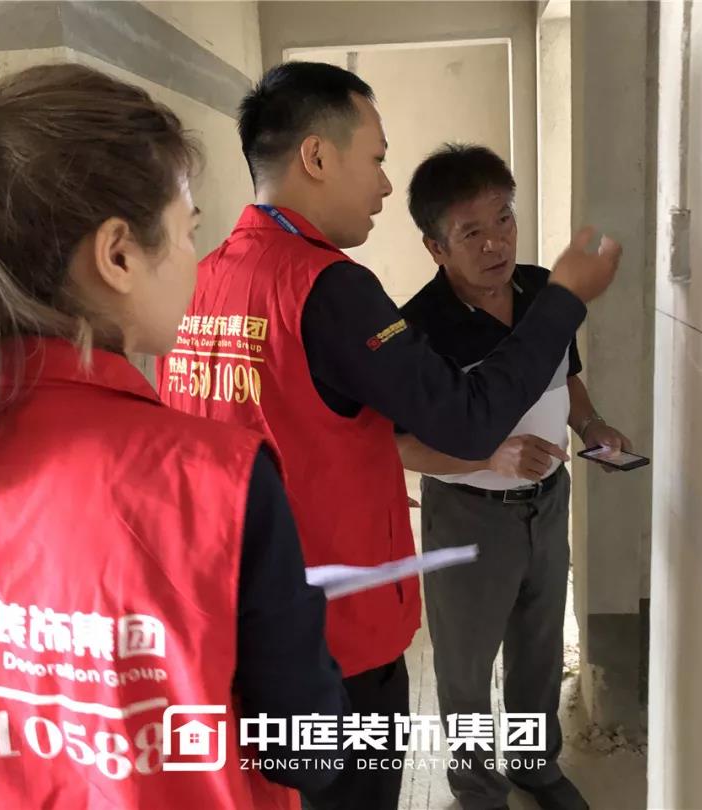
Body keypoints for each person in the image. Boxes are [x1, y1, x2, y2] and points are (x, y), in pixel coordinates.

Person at [0, 63, 346, 810]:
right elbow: (309, 751)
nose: (197, 260)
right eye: (187, 233)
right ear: (118, 255)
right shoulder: (212, 480)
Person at [157, 62, 621, 810]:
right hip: (338, 634)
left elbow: (271, 430)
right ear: (316, 156)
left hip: (247, 619)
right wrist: (567, 298)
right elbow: (464, 419)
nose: (381, 186)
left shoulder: (204, 278)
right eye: (374, 159)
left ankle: (534, 764)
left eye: (503, 219)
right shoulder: (328, 287)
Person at [397, 144, 634, 810]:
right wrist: (487, 458)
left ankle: (534, 765)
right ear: (435, 247)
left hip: (549, 503)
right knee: (466, 665)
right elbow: (400, 445)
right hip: (467, 515)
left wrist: (591, 427)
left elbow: (567, 378)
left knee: (538, 649)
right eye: (471, 232)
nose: (496, 243)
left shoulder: (542, 292)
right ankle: (476, 788)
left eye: (504, 219)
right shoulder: (418, 328)